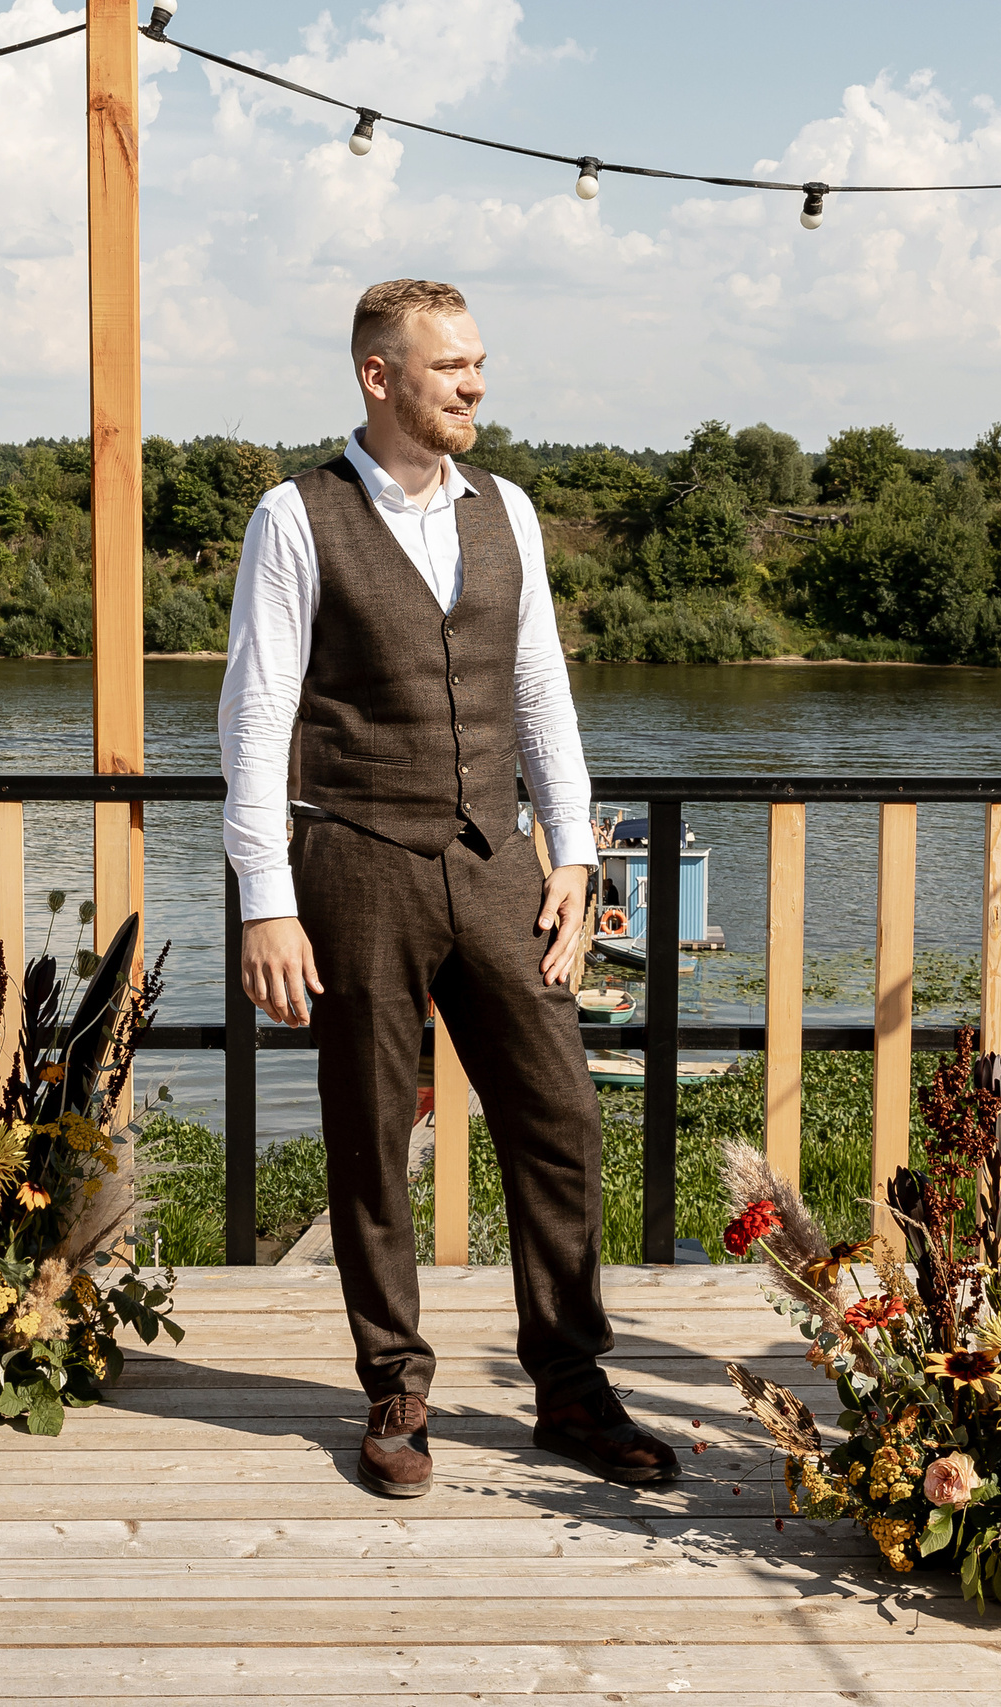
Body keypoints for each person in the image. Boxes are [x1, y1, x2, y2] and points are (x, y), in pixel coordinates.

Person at [217, 278, 679, 1498]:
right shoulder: (296, 516)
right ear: (380, 377)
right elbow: (256, 719)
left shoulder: (508, 510)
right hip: (354, 855)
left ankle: (569, 1386)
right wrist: (264, 896)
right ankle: (396, 1388)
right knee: (370, 1134)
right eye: (450, 368)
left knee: (559, 1116)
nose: (475, 384)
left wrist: (574, 853)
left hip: (492, 858)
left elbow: (540, 695)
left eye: (479, 363)